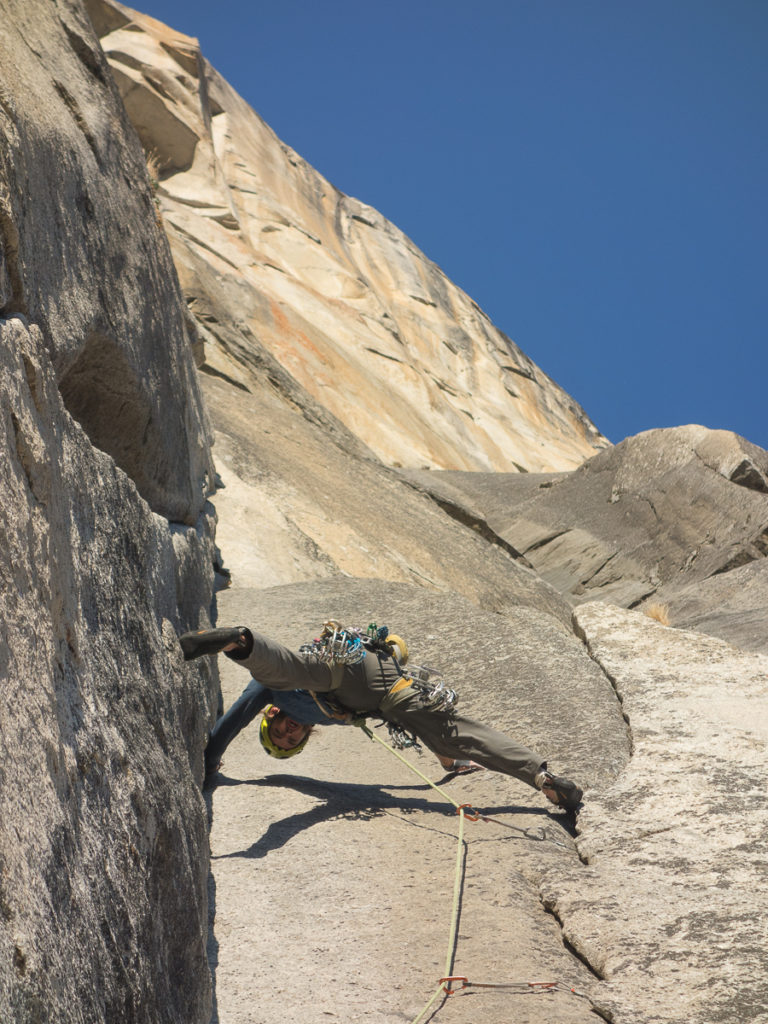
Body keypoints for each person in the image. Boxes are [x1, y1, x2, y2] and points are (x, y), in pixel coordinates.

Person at [180, 622, 583, 811]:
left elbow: (233, 718)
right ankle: (541, 777)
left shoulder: (271, 696)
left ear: (271, 716)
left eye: (280, 731)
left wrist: (210, 760)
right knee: (457, 734)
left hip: (333, 666)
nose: (289, 731)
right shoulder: (329, 717)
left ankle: (239, 641)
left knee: (284, 669)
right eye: (291, 740)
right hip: (386, 683)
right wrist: (447, 760)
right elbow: (415, 727)